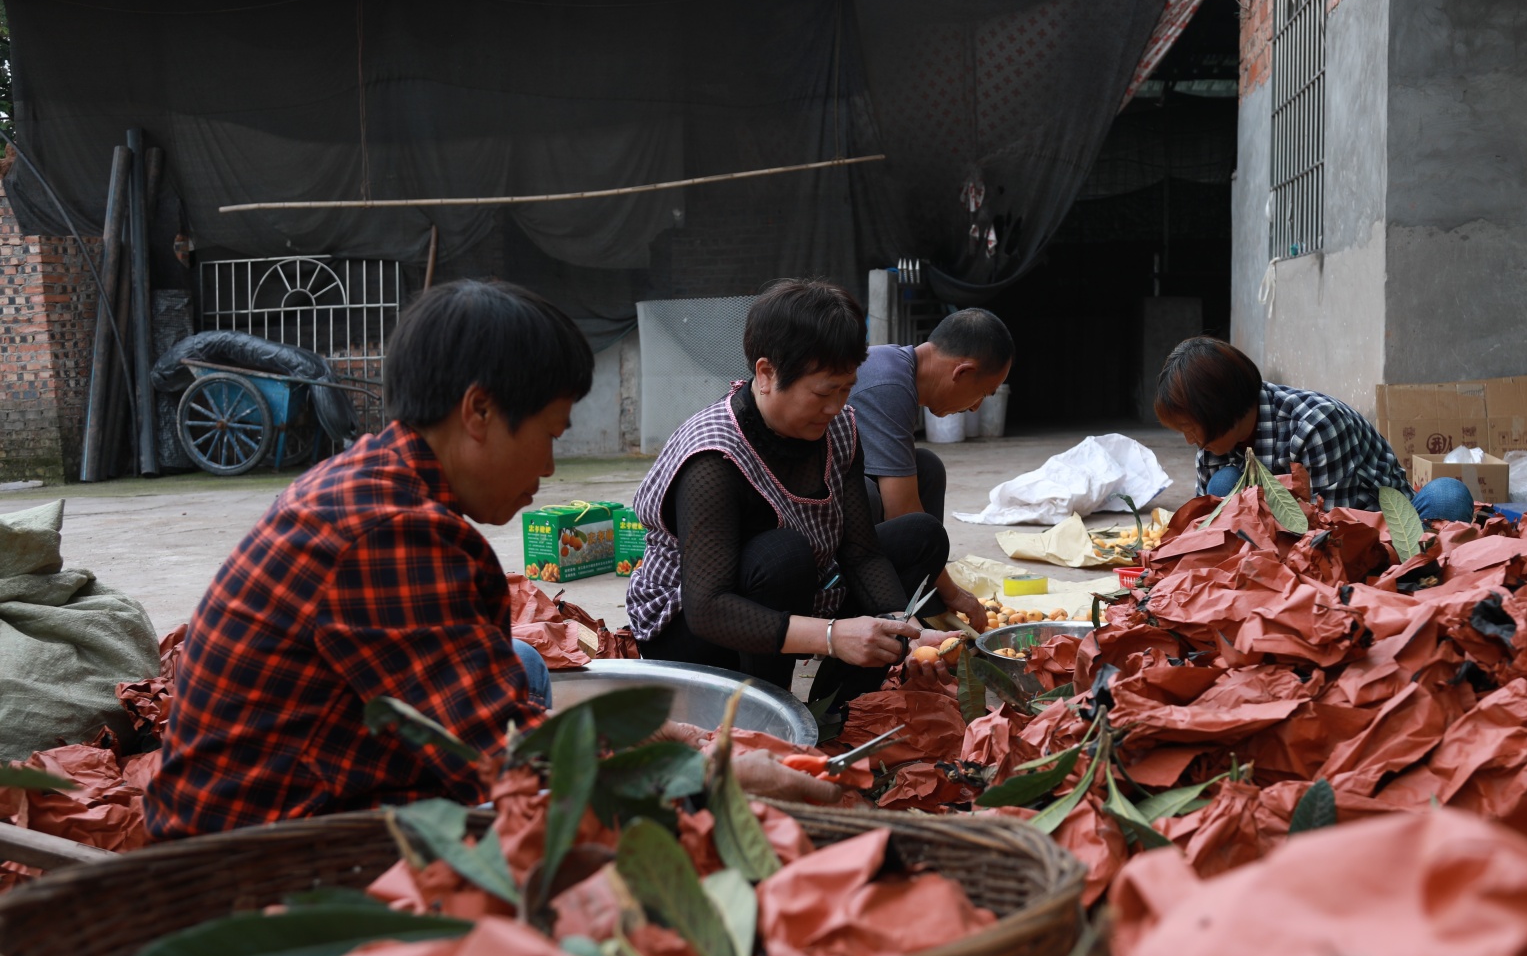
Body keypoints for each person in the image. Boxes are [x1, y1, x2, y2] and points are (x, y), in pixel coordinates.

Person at [146, 281, 834, 840]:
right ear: (478, 412)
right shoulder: (398, 535)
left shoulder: (369, 475)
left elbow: (486, 700)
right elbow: (513, 761)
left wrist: (677, 734)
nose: (550, 465)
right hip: (252, 851)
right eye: (547, 435)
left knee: (524, 666)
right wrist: (721, 771)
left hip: (250, 790)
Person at [625, 278, 959, 707]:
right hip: (694, 629)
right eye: (823, 392)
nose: (836, 406)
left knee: (921, 536)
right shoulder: (713, 456)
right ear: (766, 374)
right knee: (782, 554)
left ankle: (840, 710)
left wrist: (904, 628)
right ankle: (769, 710)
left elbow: (861, 552)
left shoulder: (840, 427)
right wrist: (831, 636)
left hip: (794, 596)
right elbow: (707, 607)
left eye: (845, 388)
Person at [1153, 337, 1476, 523]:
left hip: (1370, 528)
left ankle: (1413, 584)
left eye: (1190, 428)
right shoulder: (1213, 446)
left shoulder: (1316, 424)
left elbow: (1338, 529)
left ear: (1221, 412)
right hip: (1284, 541)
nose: (1190, 440)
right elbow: (1203, 527)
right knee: (1221, 486)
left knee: (1447, 496)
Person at [847, 308, 1014, 629]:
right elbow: (902, 511)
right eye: (984, 393)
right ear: (962, 372)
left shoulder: (896, 364)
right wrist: (954, 593)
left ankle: (922, 593)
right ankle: (890, 607)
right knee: (889, 508)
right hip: (797, 517)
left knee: (926, 467)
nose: (976, 406)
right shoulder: (889, 385)